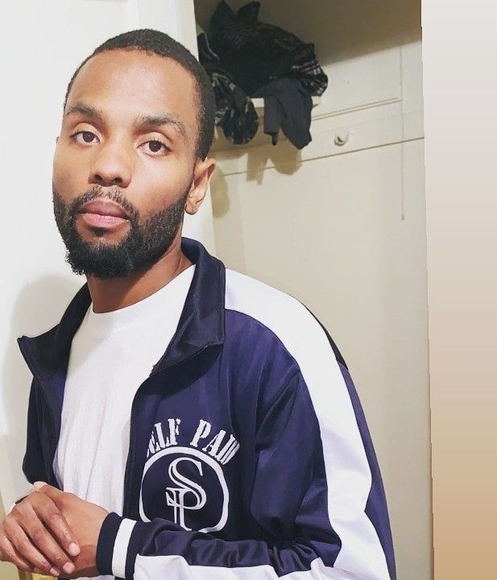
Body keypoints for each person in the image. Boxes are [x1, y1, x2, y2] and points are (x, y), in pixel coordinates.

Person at [0, 29, 396, 580]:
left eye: (154, 144)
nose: (109, 165)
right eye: (85, 134)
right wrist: (34, 526)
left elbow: (351, 571)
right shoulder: (55, 355)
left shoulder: (273, 346)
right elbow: (73, 535)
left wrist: (123, 546)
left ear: (197, 183)